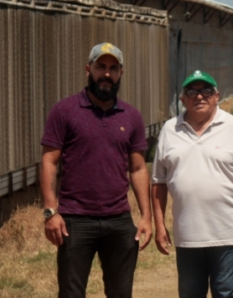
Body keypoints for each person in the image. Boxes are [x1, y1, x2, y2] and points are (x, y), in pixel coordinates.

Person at [40, 42, 152, 297]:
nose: (107, 74)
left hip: (119, 220)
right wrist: (50, 212)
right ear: (88, 69)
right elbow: (49, 161)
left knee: (121, 292)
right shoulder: (64, 111)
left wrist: (145, 217)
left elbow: (137, 168)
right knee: (71, 293)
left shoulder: (131, 116)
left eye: (114, 68)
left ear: (121, 73)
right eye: (101, 66)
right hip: (75, 220)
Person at [150, 70, 233, 298]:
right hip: (187, 235)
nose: (199, 97)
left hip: (228, 233)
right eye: (192, 91)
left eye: (206, 91)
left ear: (216, 95)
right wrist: (160, 225)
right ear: (182, 98)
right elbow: (158, 182)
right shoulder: (169, 130)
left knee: (227, 294)